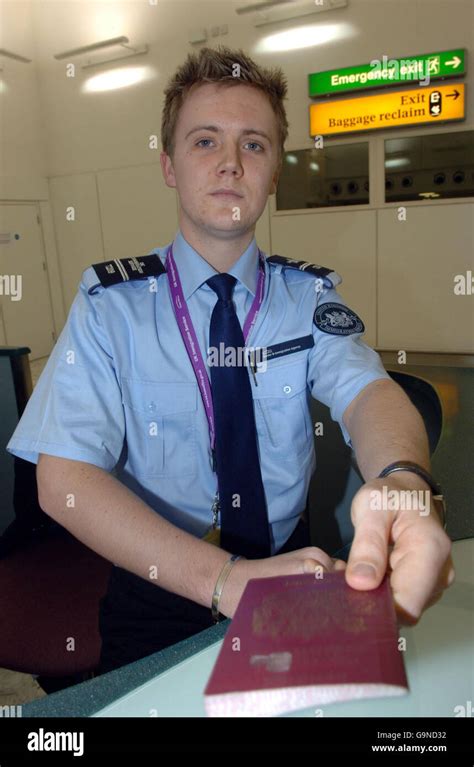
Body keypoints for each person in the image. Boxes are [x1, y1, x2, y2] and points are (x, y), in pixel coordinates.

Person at [6, 46, 453, 676]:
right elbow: (62, 481)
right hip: (157, 583)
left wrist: (405, 481)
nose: (229, 164)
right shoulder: (111, 307)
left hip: (294, 569)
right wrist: (226, 581)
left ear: (274, 173)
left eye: (254, 145)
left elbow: (368, 392)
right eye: (205, 141)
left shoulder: (308, 297)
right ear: (168, 165)